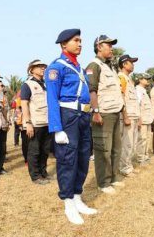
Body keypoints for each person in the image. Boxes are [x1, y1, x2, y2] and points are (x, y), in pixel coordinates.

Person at [45, 29, 97, 225]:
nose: (80, 44)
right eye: (76, 40)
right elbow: (52, 98)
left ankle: (77, 196)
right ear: (63, 44)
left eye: (81, 40)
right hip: (67, 116)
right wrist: (57, 128)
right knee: (68, 159)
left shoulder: (79, 67)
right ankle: (68, 202)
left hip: (83, 115)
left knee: (83, 157)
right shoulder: (56, 67)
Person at [86, 34, 125, 194]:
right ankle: (103, 182)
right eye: (108, 45)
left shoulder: (110, 67)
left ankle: (114, 177)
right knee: (103, 150)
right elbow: (91, 90)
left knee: (116, 148)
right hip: (103, 114)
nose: (111, 48)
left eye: (111, 45)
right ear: (99, 46)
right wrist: (95, 111)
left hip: (115, 112)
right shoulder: (94, 66)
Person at [21, 59, 52, 185]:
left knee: (45, 150)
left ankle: (43, 172)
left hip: (46, 122)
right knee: (34, 150)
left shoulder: (45, 84)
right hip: (35, 123)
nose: (43, 68)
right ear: (31, 70)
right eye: (39, 66)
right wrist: (28, 123)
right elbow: (24, 104)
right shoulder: (27, 85)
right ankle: (35, 176)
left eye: (44, 66)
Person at [117, 54, 141, 177]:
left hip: (134, 116)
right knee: (127, 143)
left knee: (132, 143)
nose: (133, 64)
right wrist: (125, 116)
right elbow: (121, 98)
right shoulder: (121, 77)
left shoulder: (129, 79)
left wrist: (139, 117)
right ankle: (124, 168)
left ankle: (129, 166)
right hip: (128, 116)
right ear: (124, 64)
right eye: (131, 62)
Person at [135, 74, 153, 164]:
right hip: (142, 118)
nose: (148, 81)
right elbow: (137, 105)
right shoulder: (138, 90)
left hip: (148, 118)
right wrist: (139, 118)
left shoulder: (144, 91)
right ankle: (140, 158)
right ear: (140, 79)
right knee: (142, 139)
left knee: (147, 138)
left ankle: (145, 155)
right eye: (146, 79)